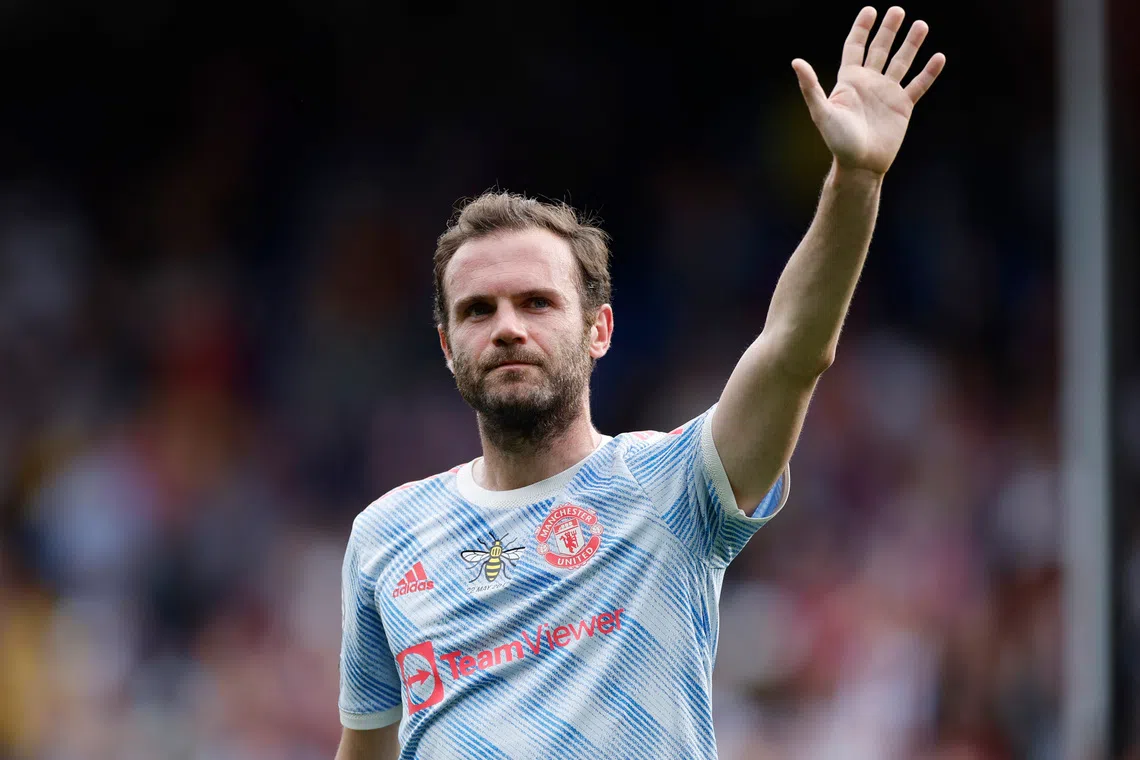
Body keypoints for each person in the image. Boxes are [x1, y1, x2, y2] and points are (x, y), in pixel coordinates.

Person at [335, 6, 945, 758]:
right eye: (477, 310)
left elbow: (792, 350)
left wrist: (855, 178)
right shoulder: (384, 538)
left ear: (600, 330)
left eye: (537, 302)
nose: (507, 328)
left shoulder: (673, 487)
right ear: (446, 345)